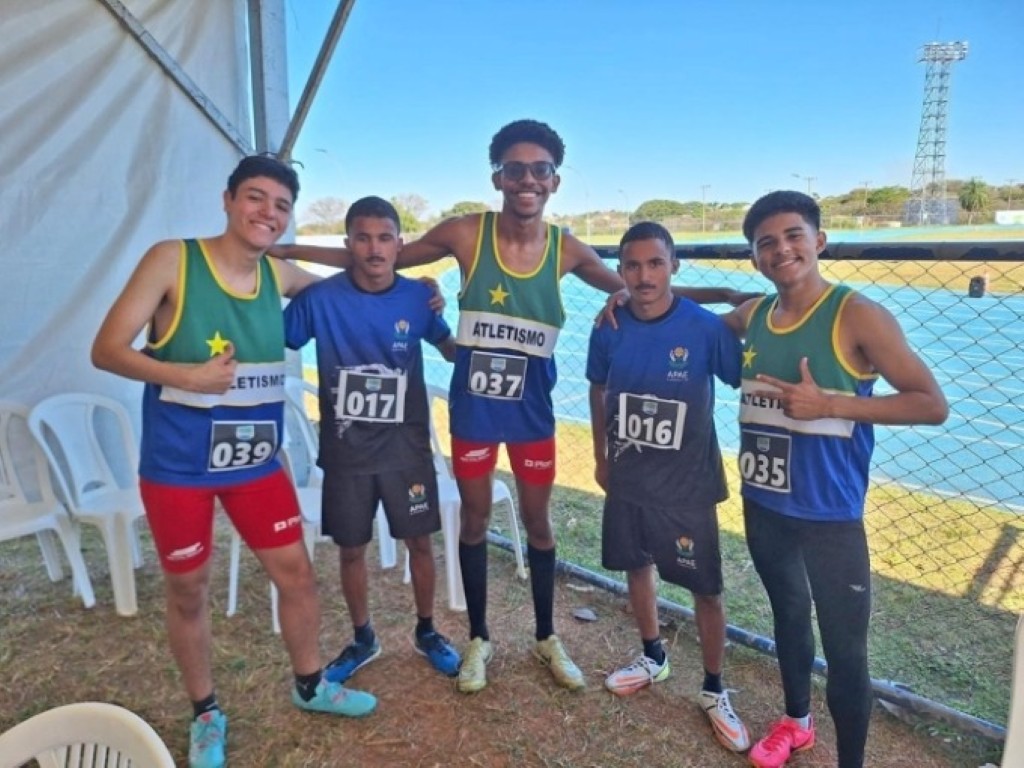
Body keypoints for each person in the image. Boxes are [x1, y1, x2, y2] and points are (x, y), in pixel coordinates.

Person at [273, 119, 749, 694]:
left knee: (539, 525)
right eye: (515, 169)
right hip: (475, 415)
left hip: (531, 418)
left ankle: (547, 637)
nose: (528, 179)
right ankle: (479, 638)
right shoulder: (465, 233)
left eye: (540, 169)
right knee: (474, 522)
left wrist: (724, 296)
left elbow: (648, 290)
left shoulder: (565, 248)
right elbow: (381, 258)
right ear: (497, 176)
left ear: (555, 180)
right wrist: (284, 249)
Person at [91, 156, 377, 768]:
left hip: (255, 464)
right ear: (227, 199)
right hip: (179, 469)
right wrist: (183, 374)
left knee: (297, 574)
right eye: (255, 197)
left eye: (281, 206)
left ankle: (310, 685)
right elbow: (106, 349)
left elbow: (361, 275)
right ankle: (206, 713)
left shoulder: (277, 274)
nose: (266, 212)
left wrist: (421, 292)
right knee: (188, 590)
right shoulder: (173, 260)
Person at [731, 191, 948, 768]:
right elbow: (690, 312)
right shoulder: (753, 315)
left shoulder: (857, 315)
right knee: (787, 618)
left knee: (846, 653)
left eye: (793, 236)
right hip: (764, 503)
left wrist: (830, 404)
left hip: (829, 516)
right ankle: (795, 723)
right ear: (755, 257)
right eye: (766, 243)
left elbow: (931, 403)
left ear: (819, 241)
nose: (781, 250)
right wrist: (626, 296)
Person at [282, 196, 461, 685]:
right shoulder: (319, 299)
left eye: (384, 238)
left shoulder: (418, 298)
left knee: (420, 542)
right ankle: (363, 637)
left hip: (406, 450)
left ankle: (427, 631)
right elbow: (274, 336)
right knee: (351, 549)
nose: (374, 248)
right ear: (348, 244)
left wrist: (476, 326)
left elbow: (450, 349)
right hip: (347, 452)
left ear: (400, 244)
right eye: (363, 238)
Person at [586, 222, 750, 754]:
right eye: (632, 266)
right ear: (621, 272)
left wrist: (734, 300)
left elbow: (747, 379)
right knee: (637, 566)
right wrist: (601, 456)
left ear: (673, 266)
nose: (643, 276)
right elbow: (598, 387)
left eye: (655, 263)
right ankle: (653, 655)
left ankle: (714, 688)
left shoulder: (704, 329)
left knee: (706, 588)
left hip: (687, 486)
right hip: (629, 478)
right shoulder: (609, 325)